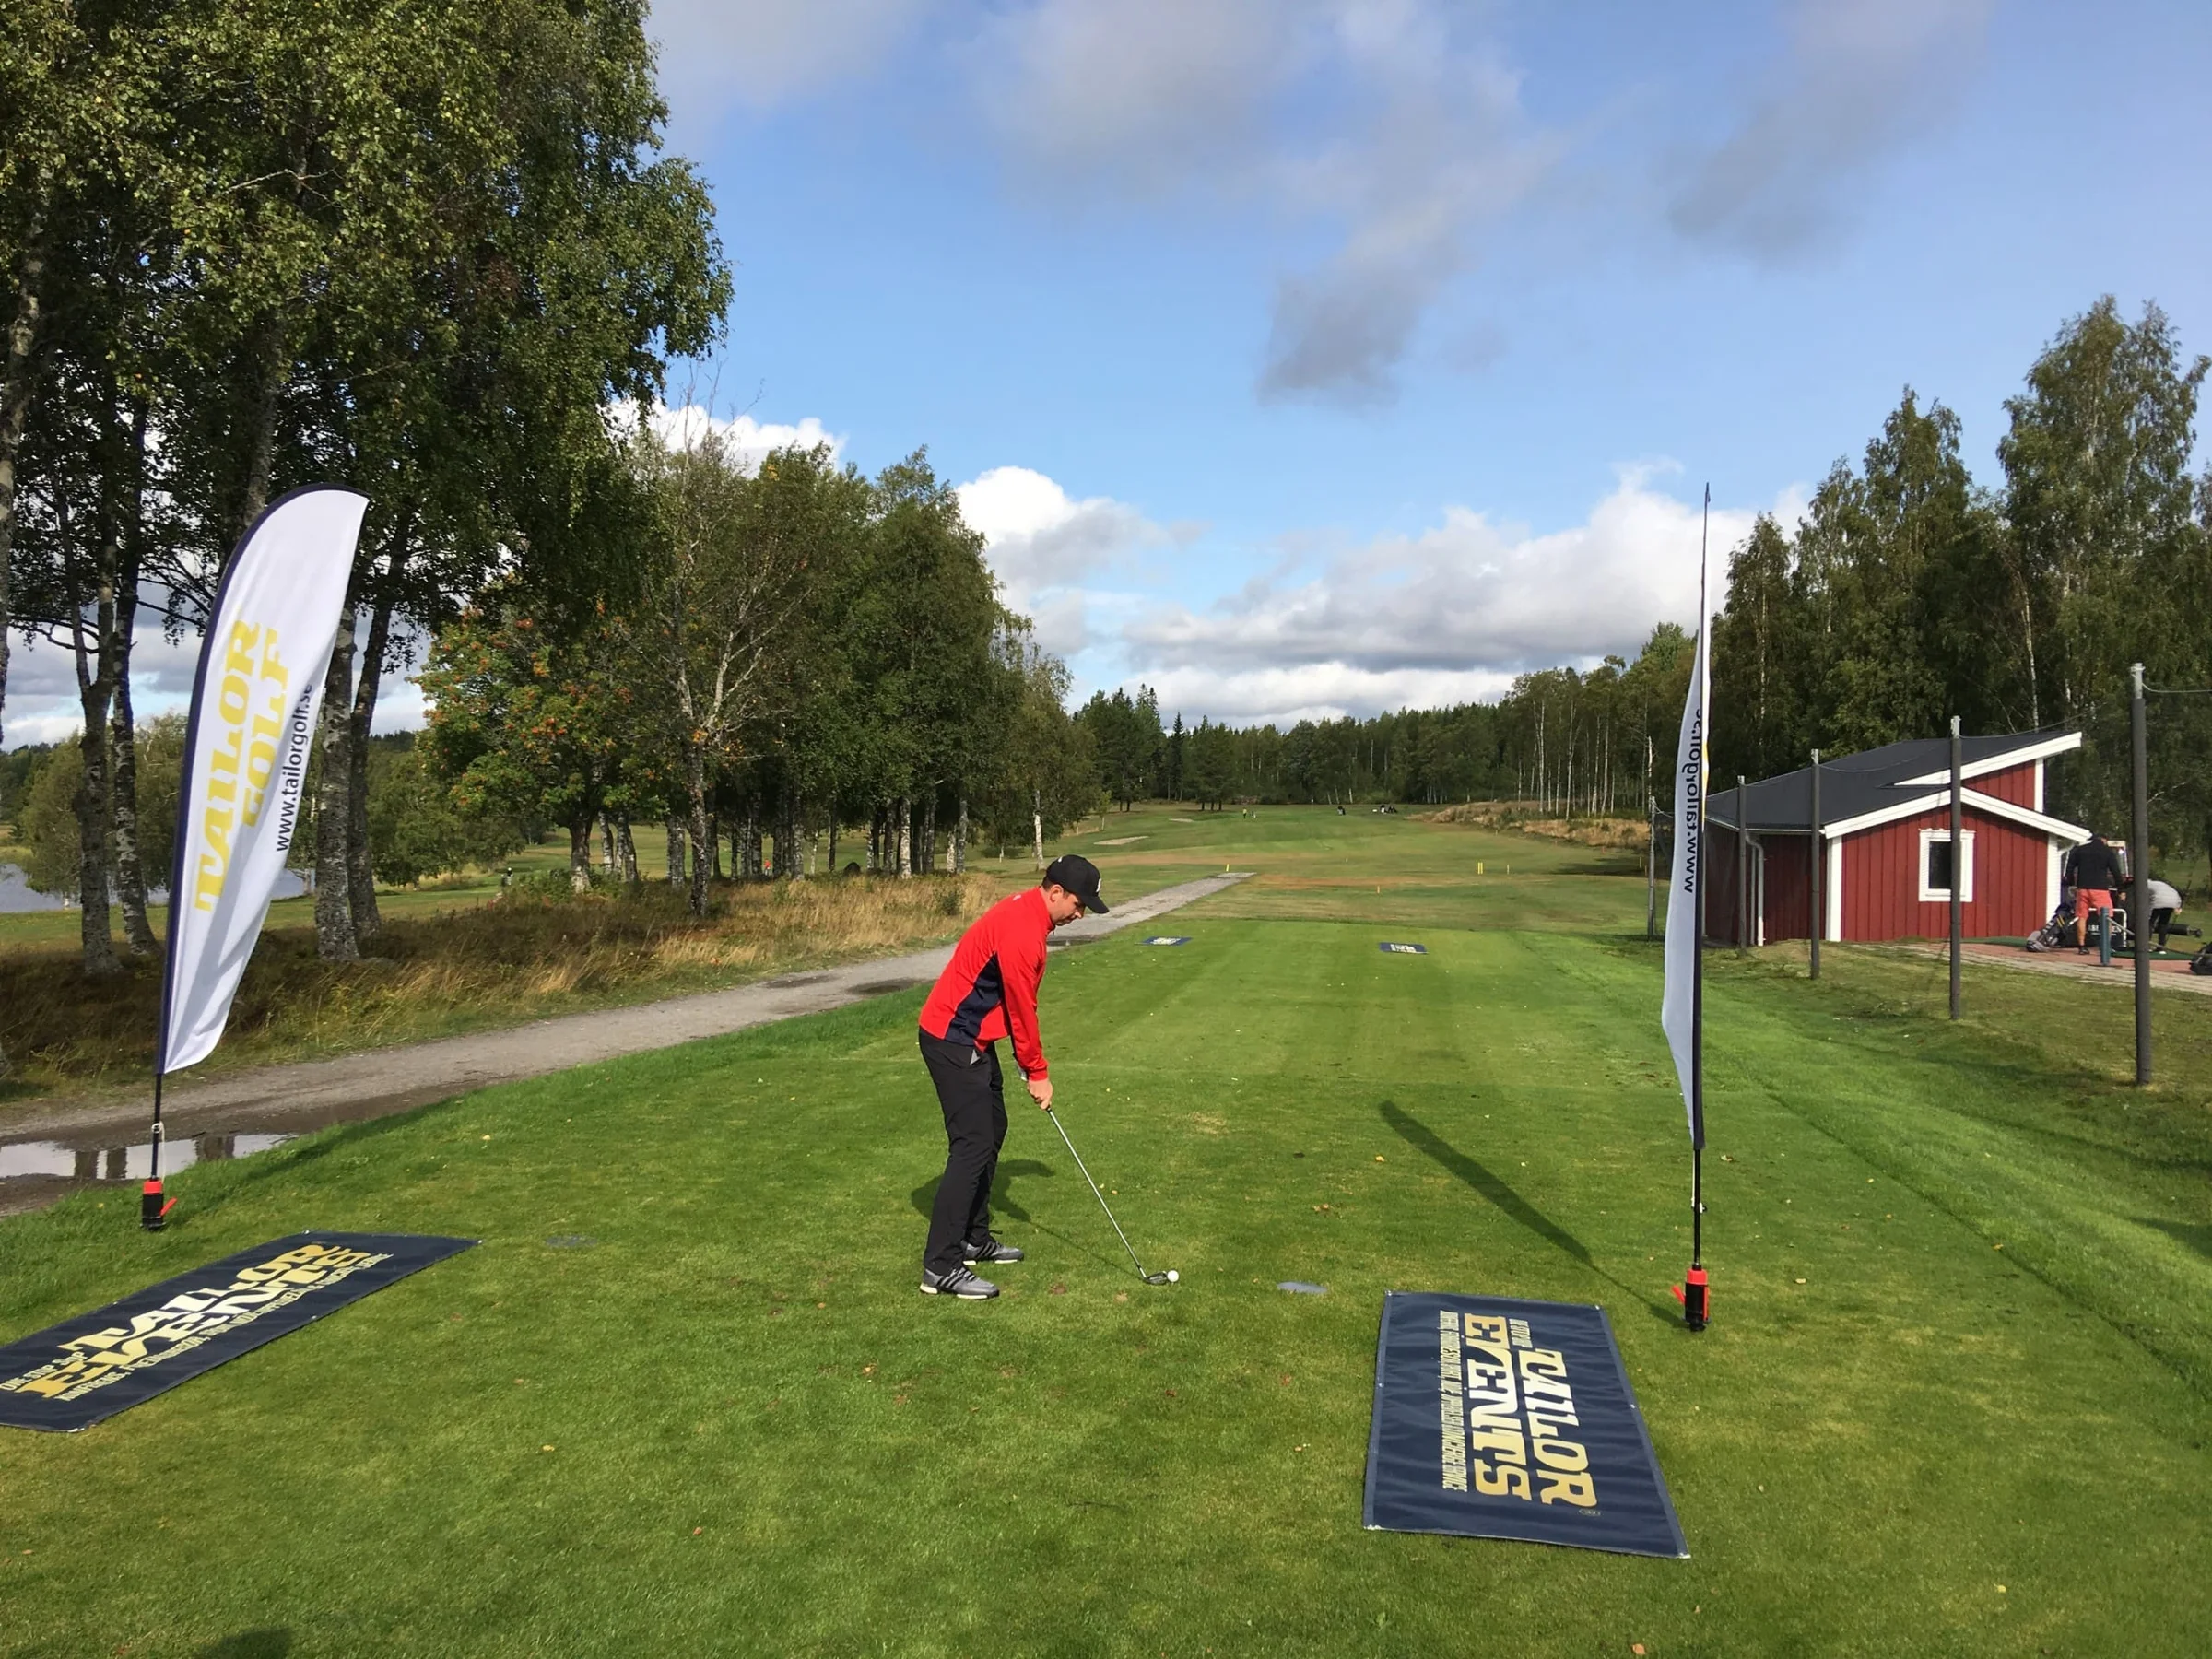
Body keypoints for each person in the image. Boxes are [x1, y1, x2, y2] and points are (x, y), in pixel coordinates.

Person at [913, 854, 1109, 1300]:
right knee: (972, 1144)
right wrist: (1036, 1071)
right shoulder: (1024, 931)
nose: (1080, 914)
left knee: (993, 1127)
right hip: (952, 1037)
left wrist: (1025, 1061)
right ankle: (940, 1265)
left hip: (973, 1037)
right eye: (1079, 904)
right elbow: (1022, 1010)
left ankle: (973, 1238)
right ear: (1055, 892)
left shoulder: (1030, 916)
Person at [2064, 832, 2125, 952]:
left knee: (2081, 917)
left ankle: (2081, 946)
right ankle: (2105, 947)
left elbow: (2070, 867)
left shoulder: (2080, 850)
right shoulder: (2107, 852)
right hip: (2100, 888)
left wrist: (2071, 883)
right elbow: (2116, 872)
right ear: (2104, 840)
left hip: (2082, 888)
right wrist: (2121, 889)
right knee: (2106, 917)